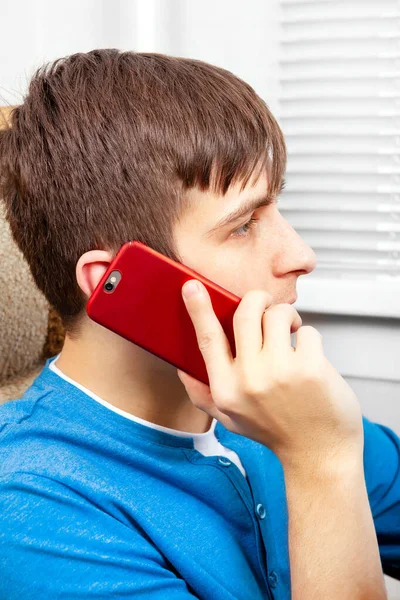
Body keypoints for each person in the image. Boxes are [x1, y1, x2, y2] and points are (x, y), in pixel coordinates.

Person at [0, 49, 397, 599]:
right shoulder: (32, 509)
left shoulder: (265, 398)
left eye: (276, 209)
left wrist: (325, 448)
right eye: (243, 226)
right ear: (116, 281)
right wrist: (319, 463)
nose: (301, 255)